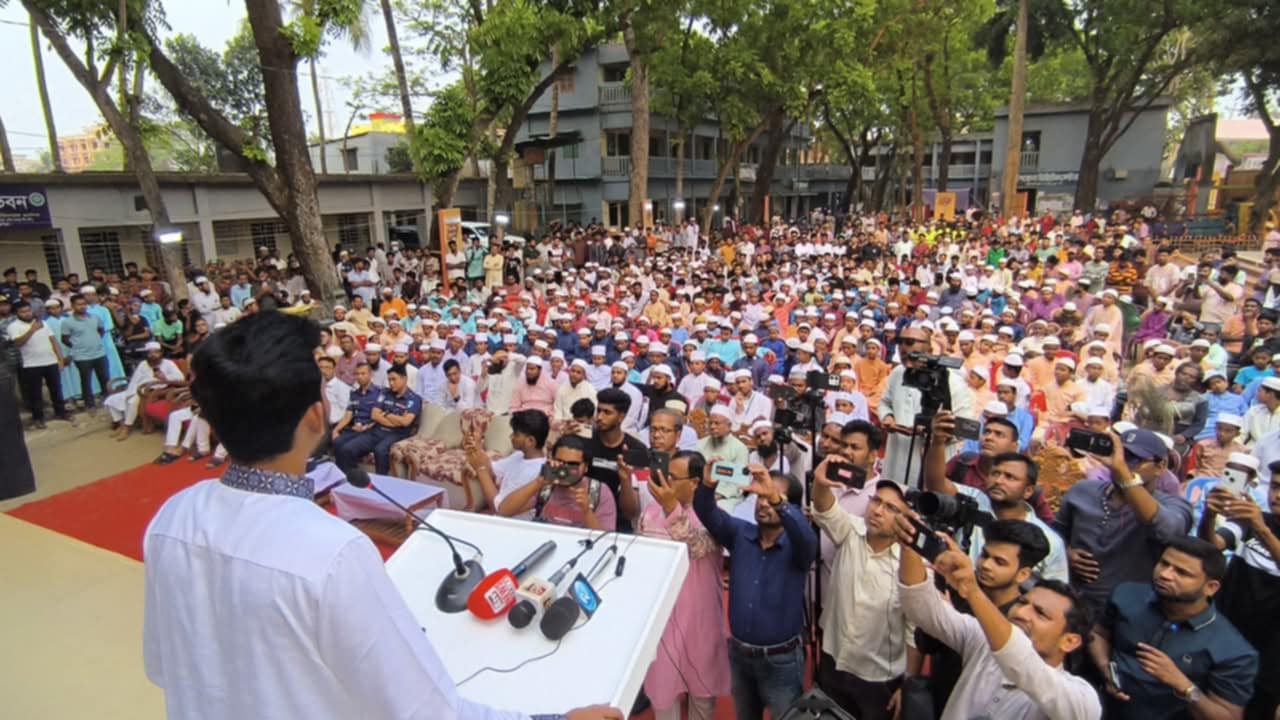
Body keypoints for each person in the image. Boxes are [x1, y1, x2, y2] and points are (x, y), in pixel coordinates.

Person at [142, 311, 620, 720]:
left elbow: (163, 666)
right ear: (316, 417)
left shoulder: (172, 517)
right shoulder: (329, 551)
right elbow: (424, 712)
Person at [893, 512, 1101, 719]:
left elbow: (1021, 661)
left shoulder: (1080, 701)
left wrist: (972, 591)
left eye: (1040, 613)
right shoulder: (982, 642)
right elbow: (921, 607)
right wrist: (910, 544)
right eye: (1023, 602)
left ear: (1070, 641)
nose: (1021, 613)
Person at [692, 463, 816, 720]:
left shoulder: (799, 547)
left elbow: (808, 538)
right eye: (760, 496)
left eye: (771, 498)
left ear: (789, 505)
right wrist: (706, 486)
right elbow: (706, 511)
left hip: (781, 662)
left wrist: (776, 499)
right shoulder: (741, 533)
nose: (763, 503)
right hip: (739, 657)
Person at [1089, 536, 1257, 720]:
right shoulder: (1126, 595)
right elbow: (1099, 634)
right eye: (1164, 563)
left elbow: (1229, 716)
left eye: (1182, 573)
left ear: (1210, 587)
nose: (1165, 574)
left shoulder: (1233, 651)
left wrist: (1183, 685)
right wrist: (1105, 667)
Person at [811, 463, 918, 720]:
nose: (878, 511)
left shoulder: (911, 566)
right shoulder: (851, 530)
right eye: (876, 501)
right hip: (833, 660)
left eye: (891, 508)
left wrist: (908, 685)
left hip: (878, 678)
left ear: (908, 521)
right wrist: (820, 481)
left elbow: (913, 631)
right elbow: (824, 507)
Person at [1054, 428, 1194, 616]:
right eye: (1121, 456)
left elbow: (1166, 530)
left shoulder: (1174, 504)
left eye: (1134, 459)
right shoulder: (1082, 490)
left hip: (1126, 615)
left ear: (1161, 466)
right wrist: (1066, 553)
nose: (1123, 464)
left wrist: (1124, 475)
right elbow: (1054, 536)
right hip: (1071, 604)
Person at [637, 450, 731, 720]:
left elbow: (697, 547)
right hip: (661, 618)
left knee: (702, 694)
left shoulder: (714, 515)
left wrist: (671, 509)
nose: (665, 481)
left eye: (673, 477)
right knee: (663, 694)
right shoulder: (651, 510)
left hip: (700, 619)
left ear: (695, 482)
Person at [924, 412, 1068, 580]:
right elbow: (936, 484)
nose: (999, 481)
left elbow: (1052, 596)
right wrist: (937, 442)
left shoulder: (1050, 542)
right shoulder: (974, 499)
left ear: (1028, 491)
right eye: (995, 474)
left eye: (1010, 477)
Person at [1199, 473, 1280, 719]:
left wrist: (1262, 530)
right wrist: (1210, 514)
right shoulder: (1252, 520)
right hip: (1228, 630)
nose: (1278, 495)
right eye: (1275, 486)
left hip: (1272, 650)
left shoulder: (1258, 524)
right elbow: (1212, 545)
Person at [497, 434, 617, 530]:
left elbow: (605, 540)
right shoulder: (545, 485)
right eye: (560, 462)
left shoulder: (598, 491)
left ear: (585, 467)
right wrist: (538, 483)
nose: (565, 470)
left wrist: (587, 511)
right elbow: (504, 511)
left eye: (572, 465)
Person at [333, 364, 421, 475]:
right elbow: (374, 415)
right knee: (347, 449)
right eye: (389, 380)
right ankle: (353, 480)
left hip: (397, 434)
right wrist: (394, 419)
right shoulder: (385, 393)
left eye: (394, 379)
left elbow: (405, 422)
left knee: (379, 450)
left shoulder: (414, 398)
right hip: (377, 430)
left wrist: (385, 414)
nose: (391, 383)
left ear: (404, 378)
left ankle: (382, 482)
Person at [469, 408, 550, 520]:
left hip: (511, 525)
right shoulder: (519, 455)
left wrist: (480, 469)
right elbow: (492, 469)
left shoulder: (534, 471)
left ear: (530, 441)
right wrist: (477, 445)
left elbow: (497, 508)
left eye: (516, 434)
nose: (511, 437)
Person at [7, 300, 71, 428]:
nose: (26, 314)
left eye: (28, 310)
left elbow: (53, 341)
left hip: (50, 361)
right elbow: (18, 343)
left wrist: (60, 359)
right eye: (23, 312)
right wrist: (32, 330)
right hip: (31, 364)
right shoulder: (13, 326)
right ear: (17, 313)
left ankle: (61, 412)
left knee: (56, 389)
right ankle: (38, 418)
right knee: (35, 393)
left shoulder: (43, 323)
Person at [106, 341, 186, 440]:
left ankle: (127, 427)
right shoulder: (143, 364)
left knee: (132, 402)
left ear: (160, 353)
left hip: (153, 390)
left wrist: (165, 377)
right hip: (137, 389)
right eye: (150, 353)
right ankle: (121, 423)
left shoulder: (168, 364)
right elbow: (135, 379)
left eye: (156, 352)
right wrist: (129, 391)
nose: (153, 355)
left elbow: (181, 378)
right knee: (111, 400)